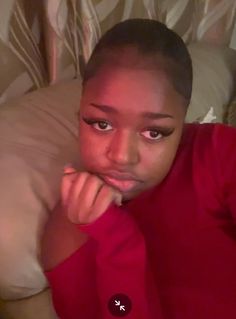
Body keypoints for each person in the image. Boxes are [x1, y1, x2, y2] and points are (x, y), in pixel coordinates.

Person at [40, 19, 236, 319]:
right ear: (80, 114)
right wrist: (116, 240)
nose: (121, 157)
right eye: (102, 124)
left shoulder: (219, 151)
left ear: (182, 124)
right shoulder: (68, 230)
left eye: (153, 132)